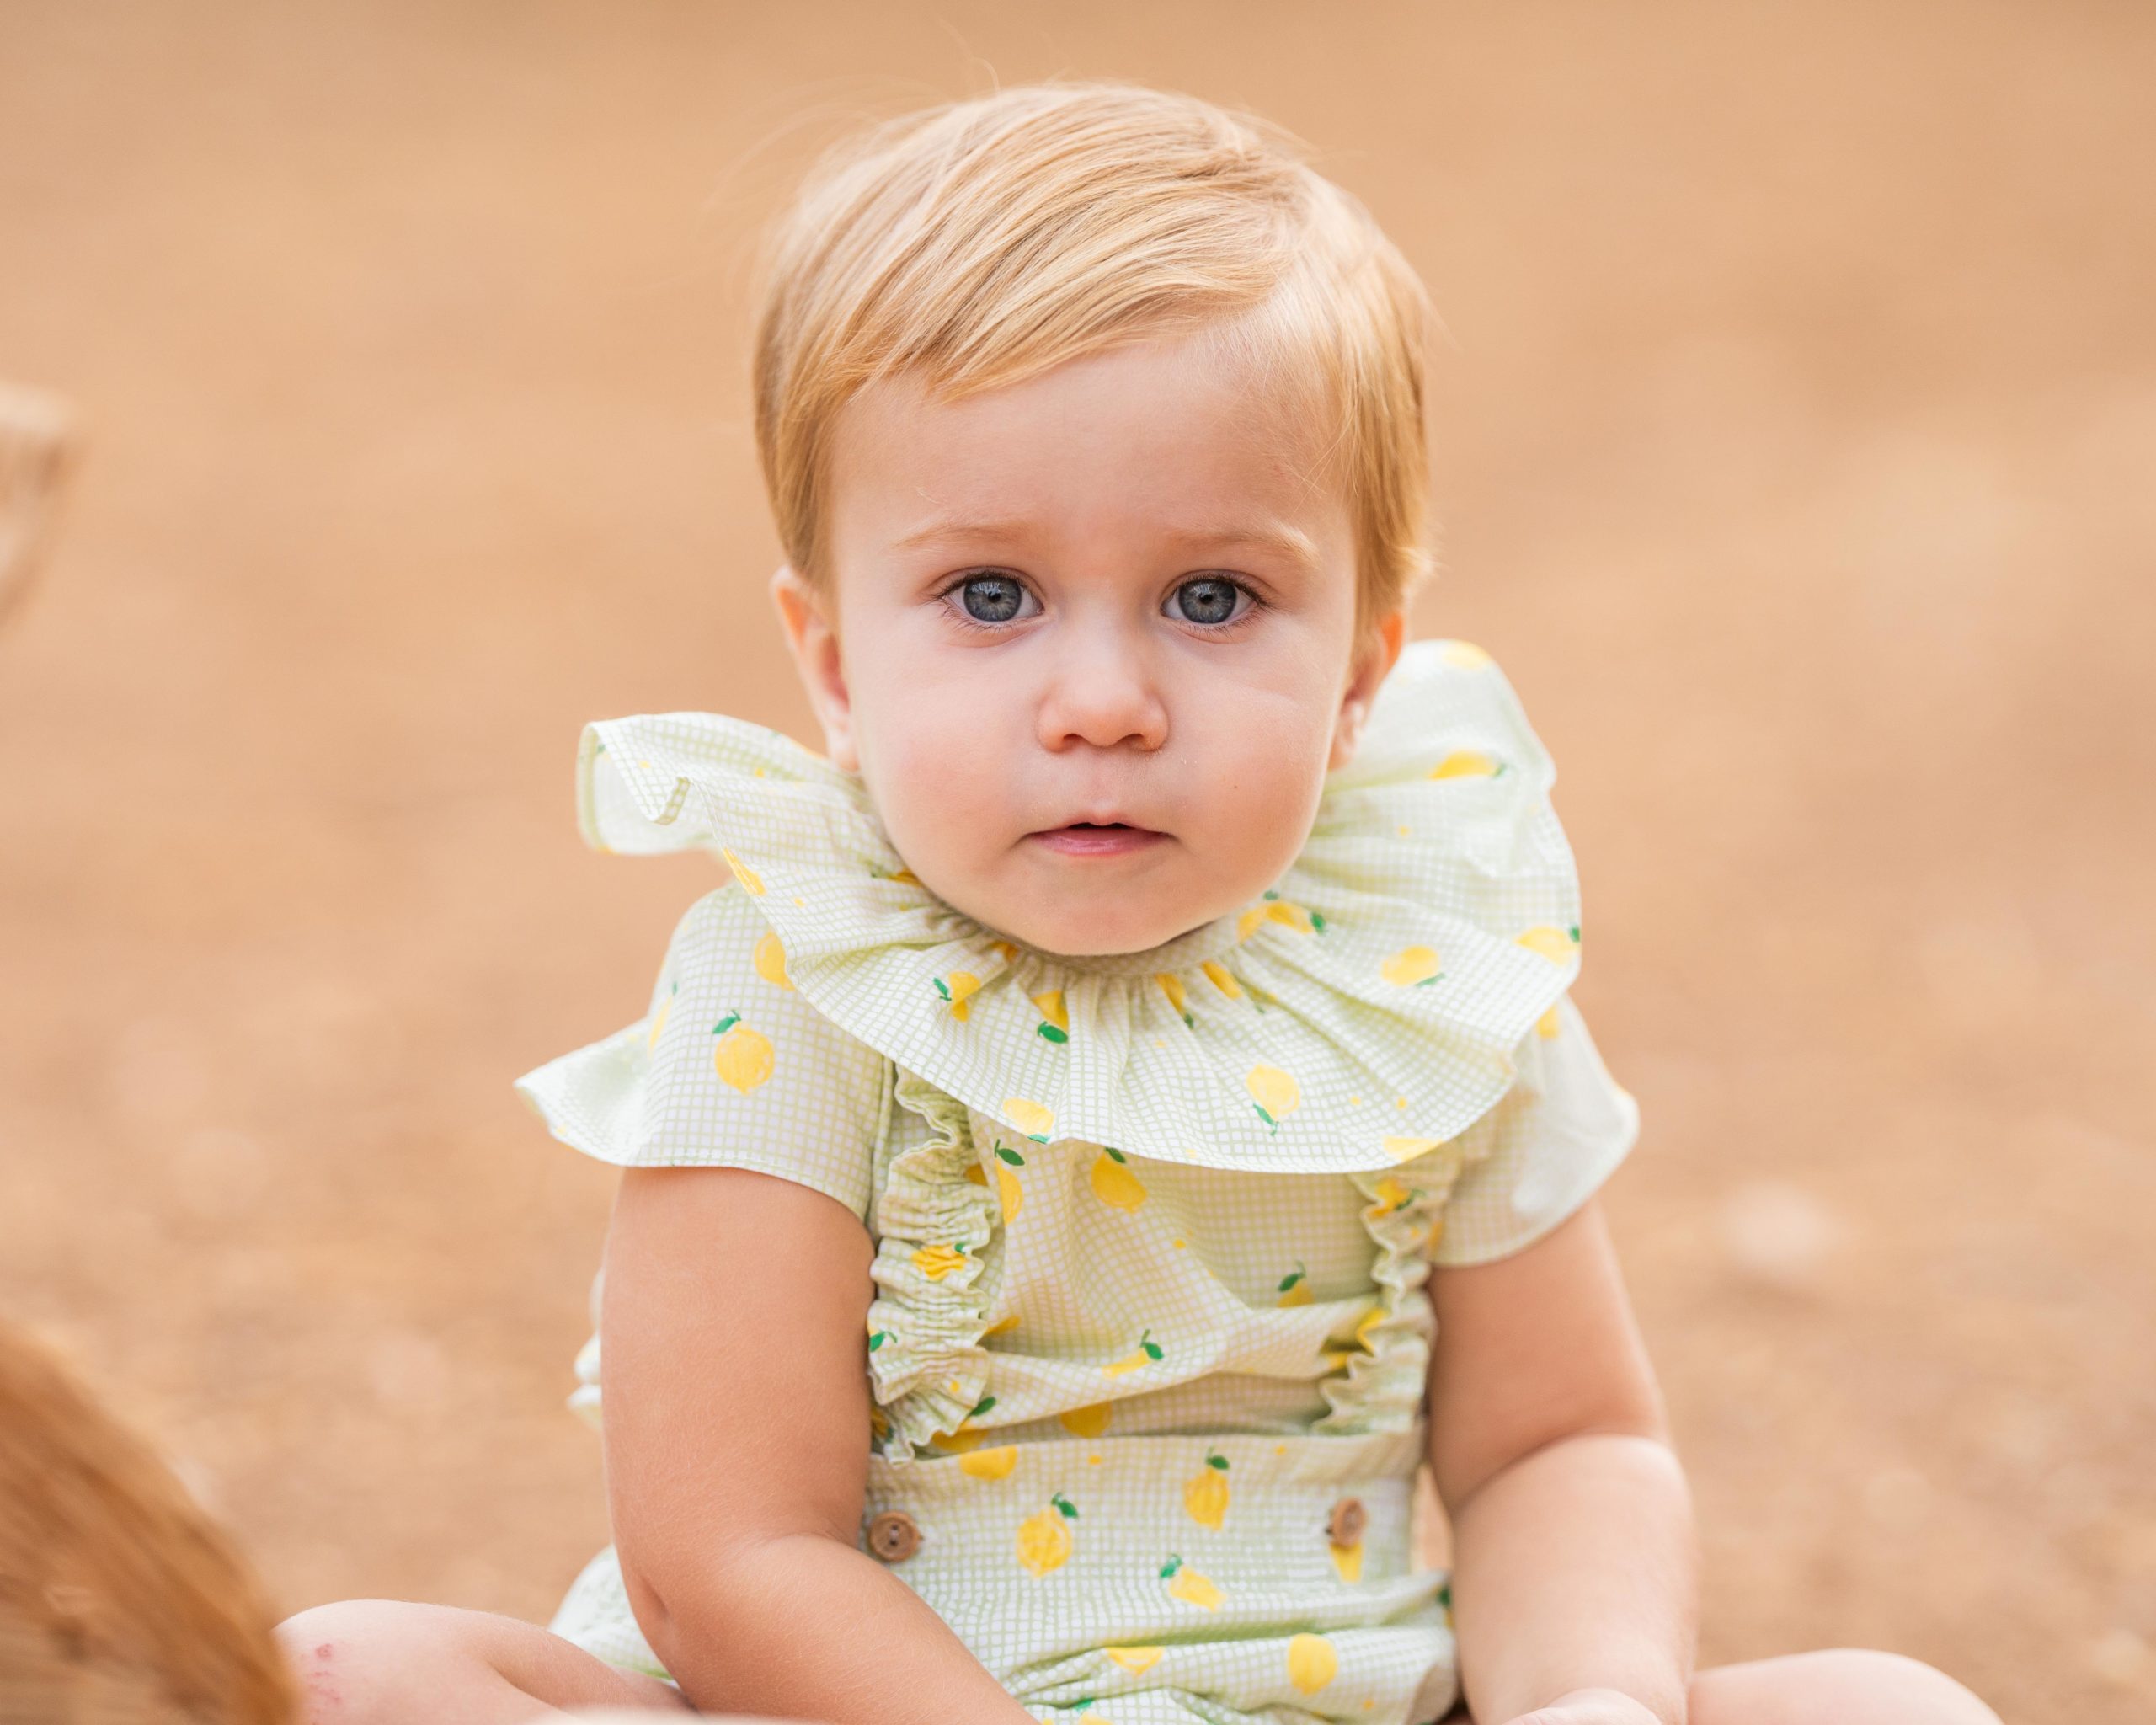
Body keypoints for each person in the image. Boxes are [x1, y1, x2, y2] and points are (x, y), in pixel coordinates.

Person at [280, 83, 1999, 1725]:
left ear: (1357, 676)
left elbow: (1554, 1444)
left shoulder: (1423, 979)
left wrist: (1591, 1694)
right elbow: (725, 1553)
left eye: (1207, 594)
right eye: (989, 593)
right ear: (830, 665)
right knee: (343, 1675)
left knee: (1886, 1704)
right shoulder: (791, 992)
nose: (1100, 698)